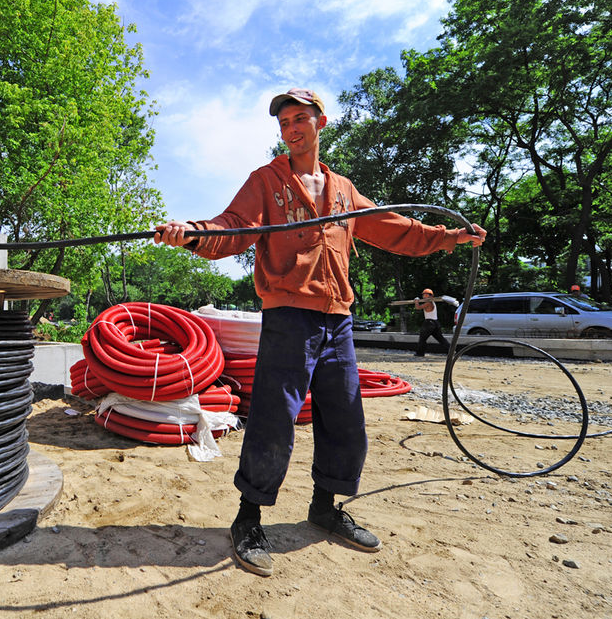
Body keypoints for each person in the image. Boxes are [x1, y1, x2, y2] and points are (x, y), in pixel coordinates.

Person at [154, 87, 486, 577]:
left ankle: (324, 507)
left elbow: (392, 227)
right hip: (290, 315)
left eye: (299, 119)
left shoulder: (343, 190)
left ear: (321, 123)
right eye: (284, 122)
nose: (291, 128)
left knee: (346, 414)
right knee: (274, 417)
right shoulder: (266, 181)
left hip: (339, 319)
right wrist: (193, 233)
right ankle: (248, 519)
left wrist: (447, 237)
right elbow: (233, 227)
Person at [412, 289, 457, 356]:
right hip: (435, 323)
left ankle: (420, 353)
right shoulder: (432, 302)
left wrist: (416, 302)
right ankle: (451, 352)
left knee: (422, 338)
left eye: (426, 295)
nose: (424, 296)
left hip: (429, 323)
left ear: (430, 296)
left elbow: (418, 307)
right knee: (441, 338)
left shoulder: (428, 303)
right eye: (423, 295)